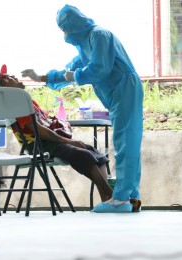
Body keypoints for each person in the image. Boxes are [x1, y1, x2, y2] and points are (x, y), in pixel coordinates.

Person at [21, 4, 143, 213]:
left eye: (65, 28)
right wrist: (40, 77)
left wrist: (75, 76)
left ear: (74, 25)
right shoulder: (84, 45)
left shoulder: (99, 35)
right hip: (117, 94)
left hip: (125, 89)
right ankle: (131, 198)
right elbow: (69, 71)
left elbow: (99, 70)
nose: (64, 34)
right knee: (126, 143)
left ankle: (122, 199)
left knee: (125, 145)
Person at [0, 66, 112, 204]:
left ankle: (106, 201)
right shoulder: (16, 105)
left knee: (97, 155)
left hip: (51, 142)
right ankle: (112, 196)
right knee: (84, 155)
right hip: (39, 145)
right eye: (9, 77)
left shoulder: (27, 101)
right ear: (5, 85)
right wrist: (69, 142)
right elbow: (39, 130)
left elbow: (46, 123)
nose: (15, 77)